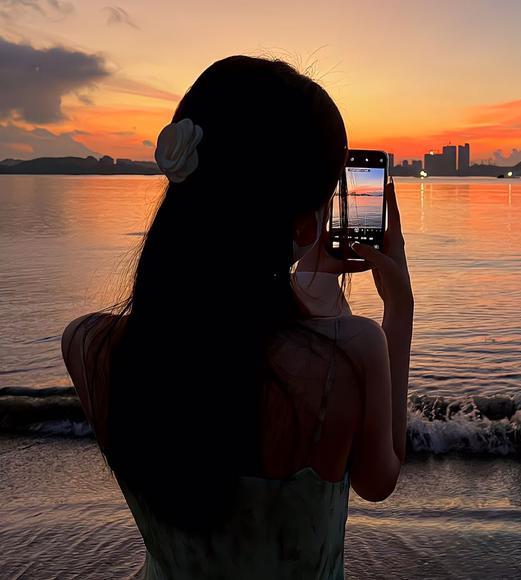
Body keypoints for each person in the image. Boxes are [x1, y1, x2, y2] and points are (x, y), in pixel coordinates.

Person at [60, 55, 414, 579]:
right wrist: (399, 310)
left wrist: (304, 278)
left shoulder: (88, 347)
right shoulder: (356, 352)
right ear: (302, 224)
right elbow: (379, 479)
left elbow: (223, 336)